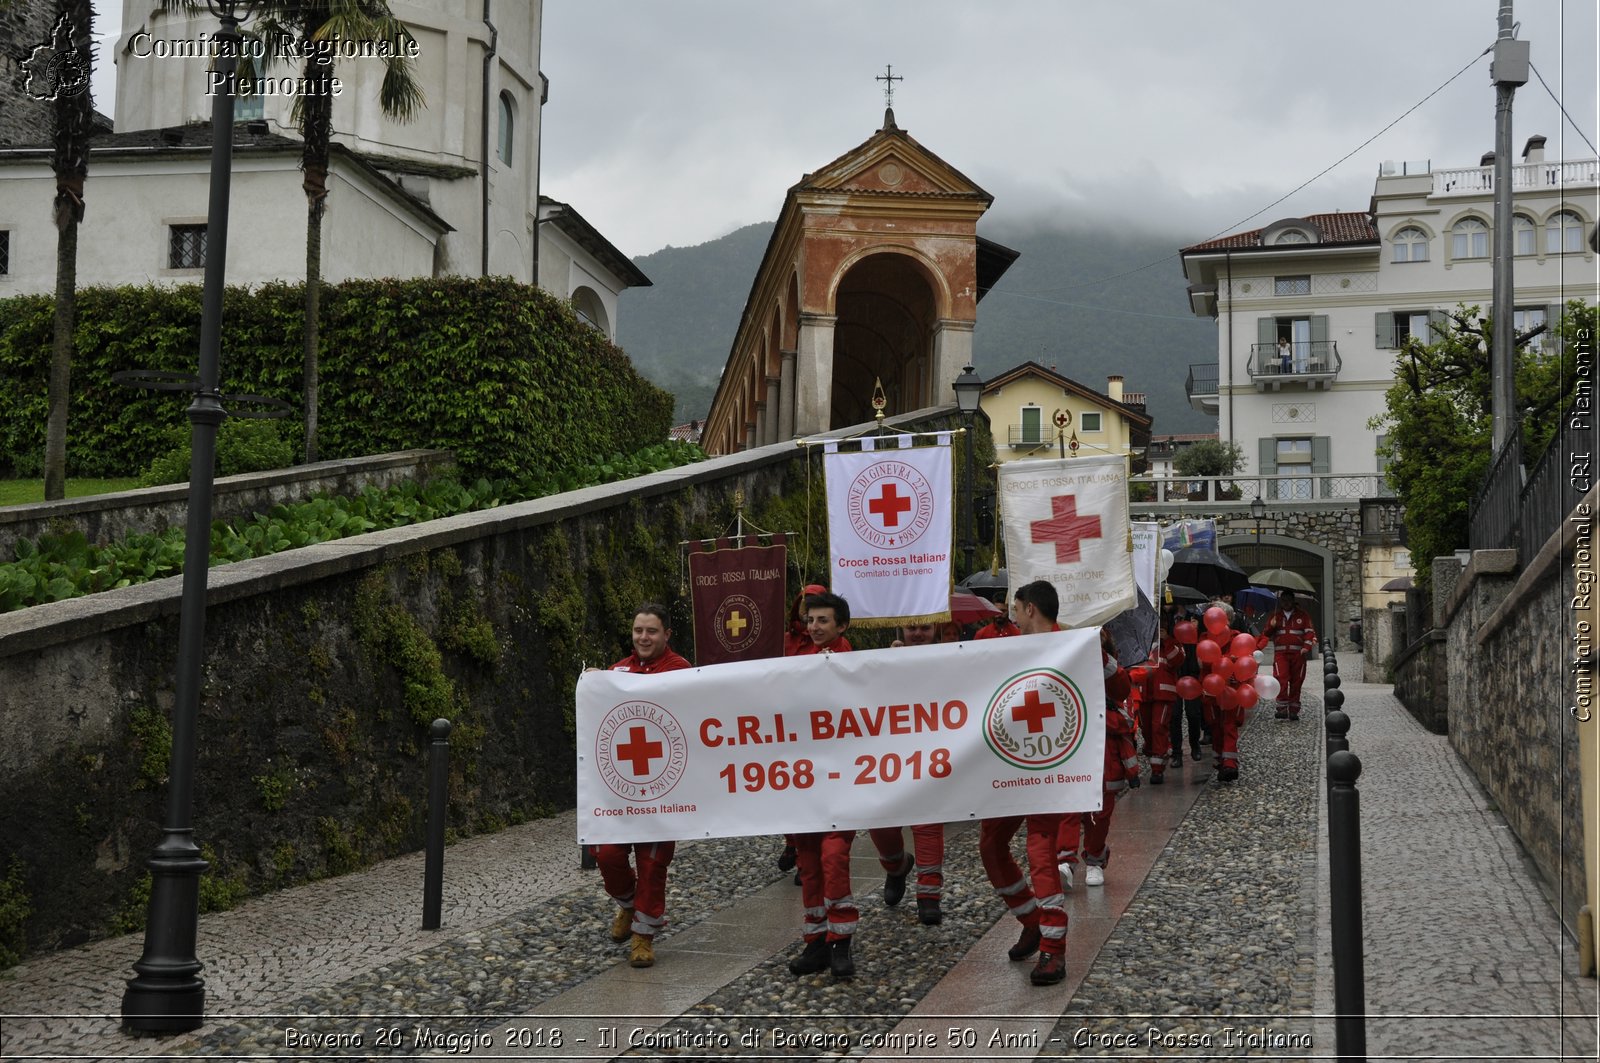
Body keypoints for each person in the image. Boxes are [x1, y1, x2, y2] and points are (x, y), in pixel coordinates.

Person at [976, 580, 1076, 987]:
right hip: (1011, 765)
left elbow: (1117, 687)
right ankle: (1031, 920)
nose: (1011, 616)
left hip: (1050, 764)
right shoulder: (1007, 645)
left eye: (1015, 609)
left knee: (1040, 850)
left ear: (1029, 609)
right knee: (990, 844)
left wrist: (1101, 654)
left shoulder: (1072, 644)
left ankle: (1054, 948)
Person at [586, 604, 691, 969]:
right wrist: (595, 684)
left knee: (652, 863)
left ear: (667, 635)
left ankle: (643, 937)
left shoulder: (681, 671)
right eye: (638, 631)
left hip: (664, 788)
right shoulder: (617, 671)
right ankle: (629, 907)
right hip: (621, 790)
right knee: (607, 854)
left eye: (651, 631)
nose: (643, 638)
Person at [784, 590, 860, 979]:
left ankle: (841, 942)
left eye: (823, 621)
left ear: (841, 626)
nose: (814, 627)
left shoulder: (857, 664)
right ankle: (815, 943)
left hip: (842, 779)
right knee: (809, 861)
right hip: (805, 779)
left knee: (833, 856)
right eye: (810, 621)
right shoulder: (800, 663)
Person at [873, 622, 948, 926]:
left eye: (925, 628)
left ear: (937, 630)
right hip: (888, 753)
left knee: (928, 821)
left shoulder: (952, 659)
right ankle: (897, 867)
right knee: (880, 820)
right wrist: (885, 666)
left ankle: (929, 895)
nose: (917, 634)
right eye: (911, 628)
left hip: (930, 751)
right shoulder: (885, 658)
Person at [1057, 628, 1138, 889]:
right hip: (1070, 747)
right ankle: (1065, 860)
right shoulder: (1062, 658)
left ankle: (1094, 860)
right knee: (1068, 808)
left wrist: (1101, 659)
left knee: (1099, 814)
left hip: (1104, 753)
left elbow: (1124, 703)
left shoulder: (1112, 667)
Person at [776, 582, 830, 875]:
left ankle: (807, 858)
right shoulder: (783, 640)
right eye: (804, 607)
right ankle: (792, 842)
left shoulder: (827, 642)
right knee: (785, 790)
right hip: (786, 726)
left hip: (817, 730)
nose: (808, 616)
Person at [1256, 589, 1318, 720]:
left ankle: (1294, 710)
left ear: (1293, 601)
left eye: (1288, 600)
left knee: (1297, 682)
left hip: (1298, 654)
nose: (1286, 603)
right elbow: (1265, 634)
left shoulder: (1302, 615)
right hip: (1281, 654)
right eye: (1283, 600)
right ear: (1280, 601)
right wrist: (1271, 626)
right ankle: (1282, 709)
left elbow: (1310, 632)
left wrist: (1306, 647)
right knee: (1281, 679)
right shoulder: (1275, 615)